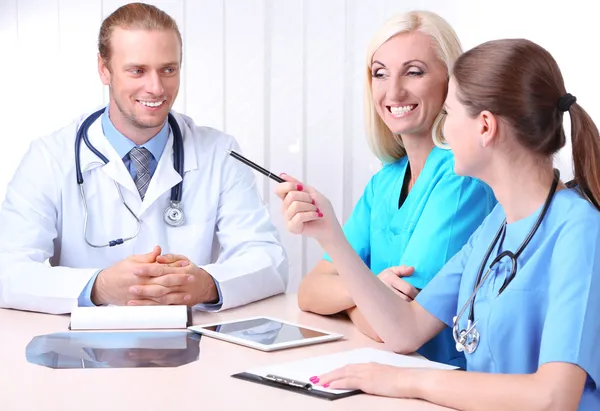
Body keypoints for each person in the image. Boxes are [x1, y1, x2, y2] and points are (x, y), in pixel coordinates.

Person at [277, 37, 600, 410]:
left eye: (448, 115)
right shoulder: (496, 226)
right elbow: (405, 329)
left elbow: (554, 397)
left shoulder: (581, 230)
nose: (442, 131)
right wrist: (330, 235)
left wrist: (406, 380)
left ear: (484, 127)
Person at [0, 3, 288, 315]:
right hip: (82, 351)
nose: (156, 87)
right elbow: (8, 271)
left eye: (168, 69)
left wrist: (206, 283)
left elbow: (267, 258)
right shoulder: (49, 158)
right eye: (137, 70)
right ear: (104, 69)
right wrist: (99, 286)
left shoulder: (219, 153)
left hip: (194, 346)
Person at [296, 10, 496, 368]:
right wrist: (371, 288)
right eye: (380, 74)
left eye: (414, 71)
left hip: (441, 382)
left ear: (450, 82)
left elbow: (396, 325)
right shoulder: (385, 182)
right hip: (385, 376)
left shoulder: (462, 179)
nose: (393, 91)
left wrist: (352, 300)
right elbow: (309, 291)